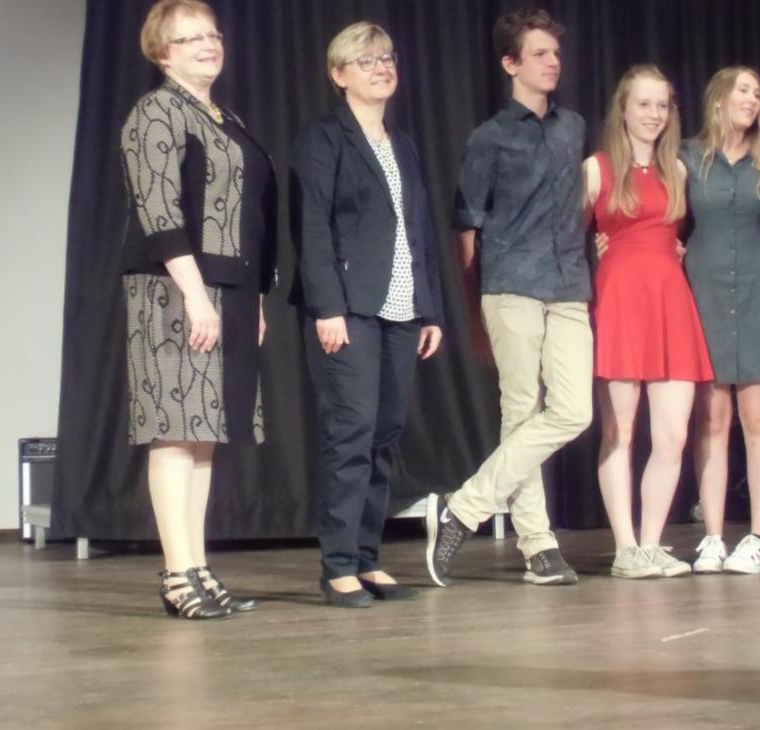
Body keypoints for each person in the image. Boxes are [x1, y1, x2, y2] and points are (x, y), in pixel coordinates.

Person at [424, 8, 592, 587]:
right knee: (520, 411)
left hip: (569, 283)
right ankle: (539, 548)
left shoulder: (572, 127)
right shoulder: (490, 137)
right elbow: (465, 227)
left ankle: (465, 506)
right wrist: (474, 310)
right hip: (510, 284)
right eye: (540, 53)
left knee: (573, 410)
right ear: (510, 63)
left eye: (555, 53)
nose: (552, 63)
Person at [120, 0, 275, 619]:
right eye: (190, 40)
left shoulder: (222, 115)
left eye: (211, 35)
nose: (208, 46)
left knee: (205, 435)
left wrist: (254, 298)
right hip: (174, 290)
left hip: (228, 290)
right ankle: (177, 576)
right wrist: (193, 295)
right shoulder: (155, 112)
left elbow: (251, 219)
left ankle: (199, 568)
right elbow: (159, 215)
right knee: (175, 430)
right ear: (163, 53)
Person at [291, 21, 444, 607]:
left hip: (402, 308)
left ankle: (366, 558)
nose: (382, 67)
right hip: (348, 308)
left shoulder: (401, 142)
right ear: (339, 75)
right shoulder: (323, 139)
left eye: (387, 56)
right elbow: (312, 230)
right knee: (349, 434)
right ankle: (336, 567)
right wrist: (326, 307)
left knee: (384, 436)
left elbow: (417, 232)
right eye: (366, 60)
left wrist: (429, 307)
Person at [587, 65, 714, 579]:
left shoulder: (678, 171)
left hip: (670, 302)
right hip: (619, 301)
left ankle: (652, 542)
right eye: (644, 104)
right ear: (623, 108)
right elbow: (566, 244)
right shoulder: (595, 169)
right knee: (620, 430)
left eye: (662, 105)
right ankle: (625, 548)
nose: (654, 115)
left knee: (674, 435)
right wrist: (597, 261)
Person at [678, 67, 760, 574]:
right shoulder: (687, 157)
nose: (752, 98)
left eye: (758, 92)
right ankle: (714, 536)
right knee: (712, 419)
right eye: (743, 89)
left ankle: (759, 538)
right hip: (704, 294)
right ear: (718, 99)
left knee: (758, 418)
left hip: (757, 292)